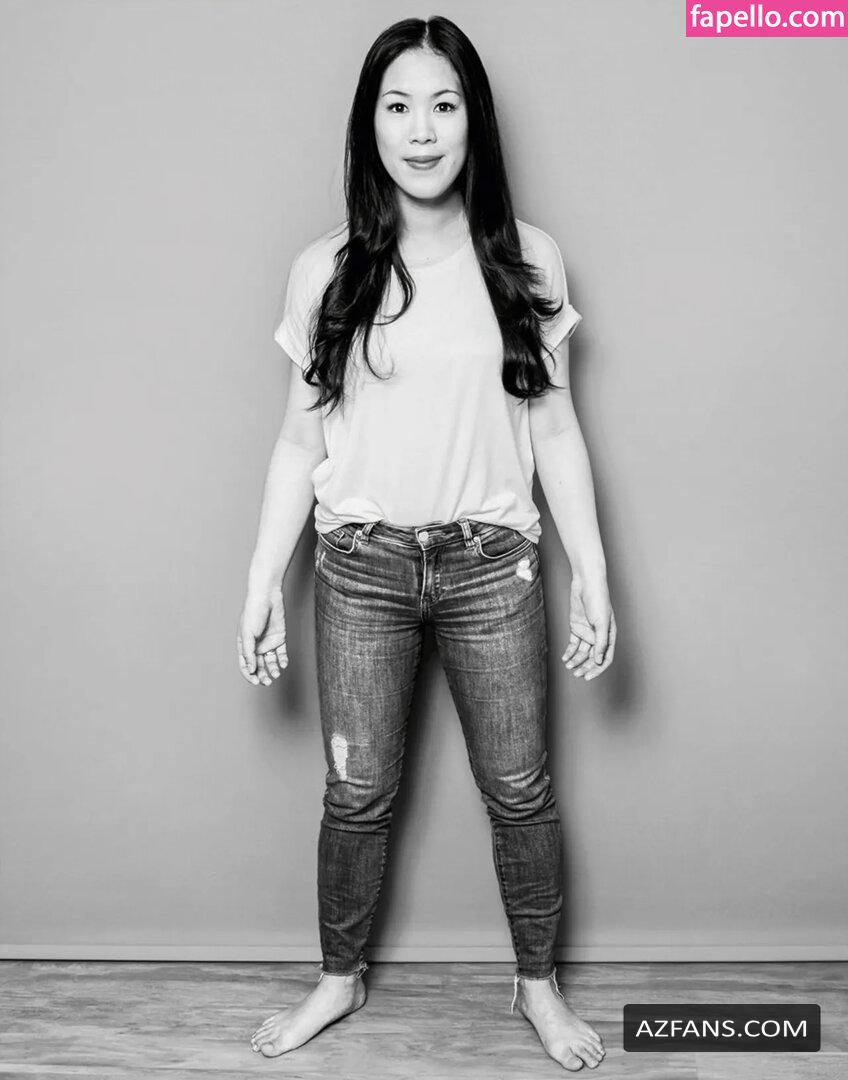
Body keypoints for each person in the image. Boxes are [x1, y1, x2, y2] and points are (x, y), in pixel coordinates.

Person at [238, 15, 614, 1073]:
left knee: (520, 788)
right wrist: (261, 580)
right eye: (397, 106)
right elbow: (297, 440)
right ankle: (338, 978)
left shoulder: (526, 258)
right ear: (369, 124)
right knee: (355, 795)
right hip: (359, 566)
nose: (420, 130)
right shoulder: (326, 269)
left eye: (443, 106)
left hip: (493, 565)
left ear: (471, 122)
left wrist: (593, 571)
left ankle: (536, 986)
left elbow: (554, 428)